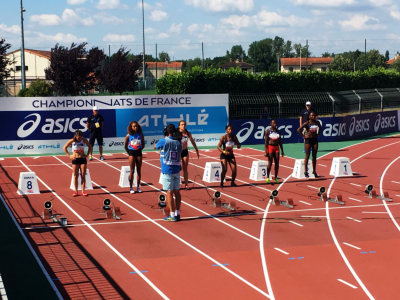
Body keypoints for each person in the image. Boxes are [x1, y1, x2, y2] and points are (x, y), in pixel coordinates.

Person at [154, 124, 183, 222]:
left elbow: (155, 147)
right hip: (176, 169)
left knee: (169, 192)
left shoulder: (164, 141)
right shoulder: (179, 142)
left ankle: (172, 214)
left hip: (167, 170)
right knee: (177, 191)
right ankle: (177, 213)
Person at [63, 129, 93, 197]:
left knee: (83, 175)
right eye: (78, 137)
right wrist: (69, 156)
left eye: (81, 137)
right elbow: (64, 147)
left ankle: (83, 191)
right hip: (75, 159)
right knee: (75, 176)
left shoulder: (84, 140)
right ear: (75, 136)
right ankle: (76, 191)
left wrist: (88, 154)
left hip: (82, 159)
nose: (80, 139)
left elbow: (90, 147)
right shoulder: (72, 141)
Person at [297, 112, 322, 178]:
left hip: (315, 140)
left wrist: (318, 134)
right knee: (307, 155)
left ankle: (314, 171)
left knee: (314, 155)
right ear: (309, 116)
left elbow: (320, 128)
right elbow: (298, 130)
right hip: (308, 140)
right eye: (312, 115)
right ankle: (305, 171)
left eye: (314, 115)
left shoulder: (317, 123)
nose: (313, 116)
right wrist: (304, 136)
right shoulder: (307, 123)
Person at [124, 121, 145, 194]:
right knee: (132, 170)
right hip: (131, 153)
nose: (135, 128)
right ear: (131, 127)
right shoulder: (128, 135)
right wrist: (129, 152)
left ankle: (138, 186)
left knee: (139, 170)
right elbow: (125, 146)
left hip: (139, 152)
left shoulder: (141, 134)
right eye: (134, 126)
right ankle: (131, 187)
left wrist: (139, 149)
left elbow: (143, 144)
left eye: (136, 126)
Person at [178, 120, 200, 190]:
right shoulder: (176, 133)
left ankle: (186, 184)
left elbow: (192, 141)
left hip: (185, 151)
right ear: (179, 126)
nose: (183, 126)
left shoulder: (188, 133)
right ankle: (176, 184)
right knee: (177, 169)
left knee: (185, 169)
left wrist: (196, 149)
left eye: (184, 124)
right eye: (182, 124)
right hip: (178, 152)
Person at [264, 119, 284, 184]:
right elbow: (266, 142)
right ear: (271, 124)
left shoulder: (278, 131)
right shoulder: (268, 131)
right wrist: (265, 151)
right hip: (270, 147)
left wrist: (282, 150)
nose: (275, 124)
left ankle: (275, 177)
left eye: (275, 123)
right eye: (273, 123)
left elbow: (280, 141)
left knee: (277, 163)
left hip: (277, 148)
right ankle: (267, 177)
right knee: (270, 162)